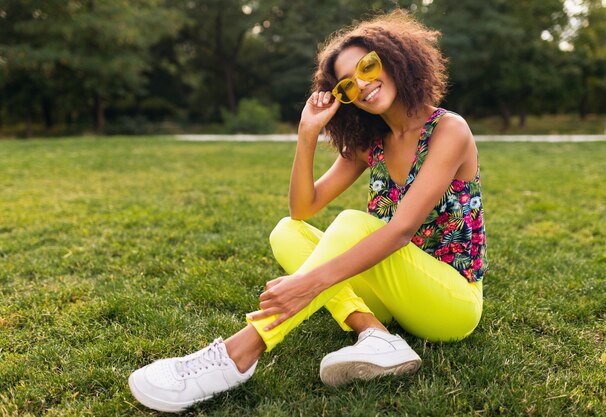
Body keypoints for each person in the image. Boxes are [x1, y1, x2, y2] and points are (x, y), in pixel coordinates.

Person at [128, 10, 488, 413]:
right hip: (395, 294)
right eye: (349, 85)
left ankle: (240, 352)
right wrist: (307, 133)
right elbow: (302, 208)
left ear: (395, 59)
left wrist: (310, 284)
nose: (364, 84)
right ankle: (376, 334)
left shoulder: (448, 130)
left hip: (450, 304)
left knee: (354, 224)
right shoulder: (374, 142)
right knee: (287, 232)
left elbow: (401, 230)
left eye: (369, 66)